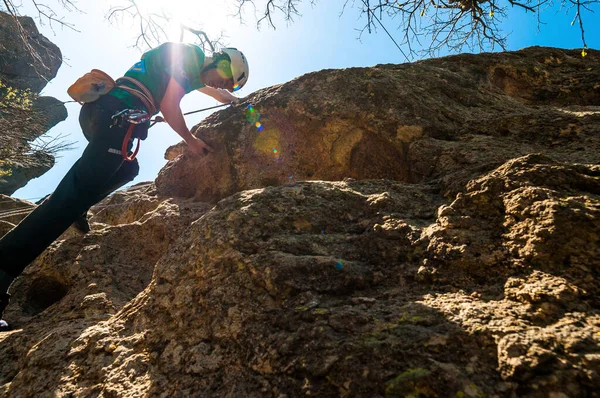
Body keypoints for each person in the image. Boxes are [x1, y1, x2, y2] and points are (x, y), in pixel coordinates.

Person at [0, 42, 250, 330]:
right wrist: (191, 141)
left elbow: (208, 88)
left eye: (229, 83)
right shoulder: (191, 55)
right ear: (220, 61)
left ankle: (77, 205)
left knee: (128, 168)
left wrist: (230, 97)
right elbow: (169, 105)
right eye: (226, 77)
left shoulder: (193, 72)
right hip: (115, 117)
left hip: (103, 115)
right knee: (64, 204)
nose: (223, 83)